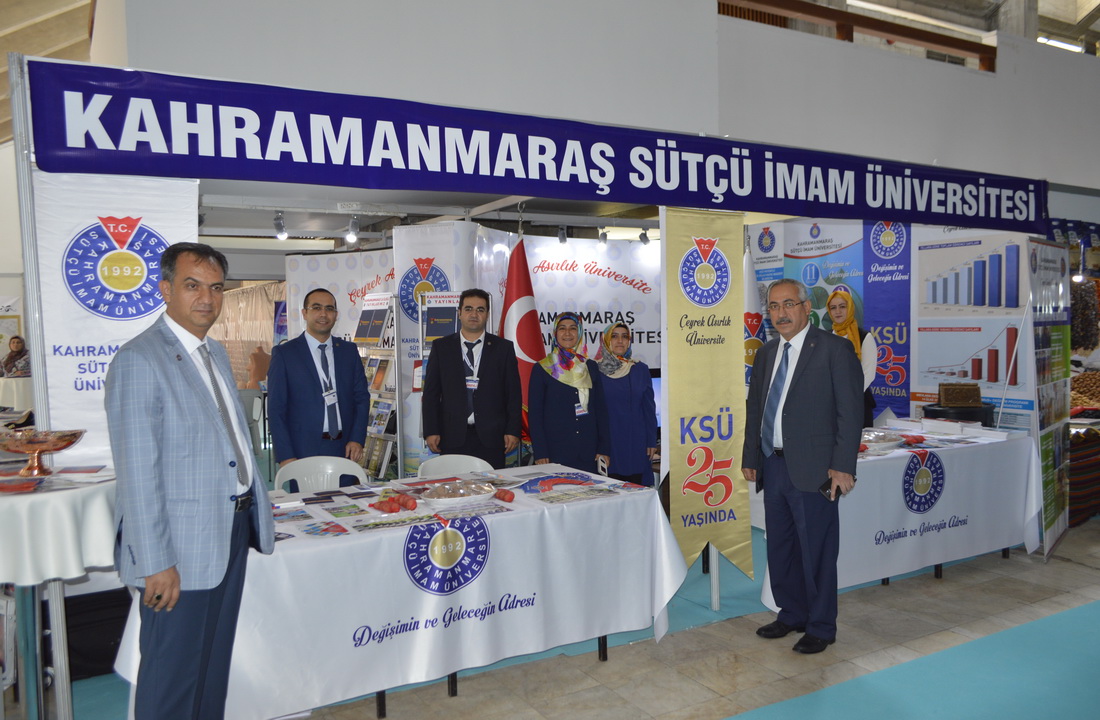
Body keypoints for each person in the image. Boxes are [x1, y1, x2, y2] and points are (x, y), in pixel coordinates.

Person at [104, 242, 275, 718]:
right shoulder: (139, 359)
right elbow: (138, 473)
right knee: (172, 680)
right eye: (192, 286)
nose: (207, 298)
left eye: (216, 288)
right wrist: (156, 561)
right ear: (165, 289)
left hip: (230, 531)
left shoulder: (213, 351)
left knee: (211, 669)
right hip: (178, 550)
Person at [741, 278, 863, 655]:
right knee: (781, 547)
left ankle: (821, 625)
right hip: (773, 465)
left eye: (788, 304)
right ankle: (791, 613)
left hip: (816, 470)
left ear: (806, 308)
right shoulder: (766, 353)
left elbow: (850, 413)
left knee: (817, 552)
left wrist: (842, 466)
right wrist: (750, 456)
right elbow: (756, 408)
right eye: (774, 306)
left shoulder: (834, 349)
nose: (781, 313)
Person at [267, 288, 372, 474]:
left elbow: (361, 398)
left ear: (336, 315)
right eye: (316, 308)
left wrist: (357, 439)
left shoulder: (348, 351)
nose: (323, 314)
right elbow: (276, 409)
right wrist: (285, 455)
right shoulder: (285, 354)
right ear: (304, 313)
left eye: (329, 308)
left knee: (346, 494)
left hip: (345, 449)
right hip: (302, 450)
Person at [421, 288, 522, 469]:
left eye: (480, 309)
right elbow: (431, 395)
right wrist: (431, 430)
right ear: (459, 313)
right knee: (453, 484)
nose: (474, 314)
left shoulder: (503, 348)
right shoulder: (441, 347)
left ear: (487, 314)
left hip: (492, 437)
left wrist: (513, 430)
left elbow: (513, 394)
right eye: (468, 309)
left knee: (492, 485)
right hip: (452, 436)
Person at [528, 312, 610, 473]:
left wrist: (604, 448)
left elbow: (601, 410)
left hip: (589, 452)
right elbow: (535, 415)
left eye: (573, 328)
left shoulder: (590, 366)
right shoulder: (542, 368)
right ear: (555, 333)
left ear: (579, 333)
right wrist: (541, 451)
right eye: (562, 328)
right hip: (555, 452)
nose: (567, 333)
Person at [596, 322, 657, 485]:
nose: (620, 341)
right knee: (611, 490)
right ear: (606, 340)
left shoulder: (640, 369)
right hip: (609, 442)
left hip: (636, 441)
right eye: (614, 336)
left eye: (624, 337)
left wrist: (651, 440)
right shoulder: (595, 370)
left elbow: (649, 409)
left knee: (637, 489)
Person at [826, 289, 880, 427]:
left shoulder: (864, 337)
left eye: (842, 306)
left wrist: (846, 396)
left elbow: (868, 374)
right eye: (833, 308)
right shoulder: (825, 337)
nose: (838, 311)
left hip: (857, 402)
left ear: (850, 308)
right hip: (829, 405)